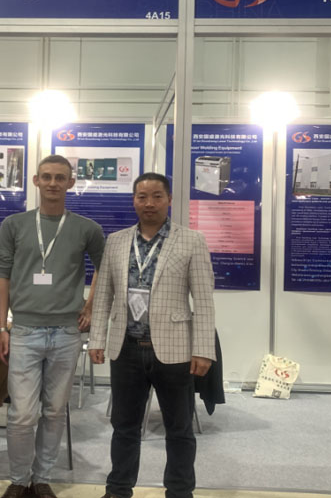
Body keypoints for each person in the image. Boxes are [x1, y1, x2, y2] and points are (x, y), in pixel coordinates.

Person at [89, 172, 216, 498]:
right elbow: (103, 295)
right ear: (133, 200)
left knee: (179, 428)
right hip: (126, 349)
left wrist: (203, 349)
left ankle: (179, 492)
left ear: (169, 199)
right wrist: (97, 339)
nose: (149, 203)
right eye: (142, 196)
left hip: (175, 350)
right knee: (124, 427)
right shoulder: (116, 241)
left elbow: (203, 300)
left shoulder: (192, 240)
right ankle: (118, 490)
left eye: (157, 196)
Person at [0, 155, 106, 498]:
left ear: (71, 182)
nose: (53, 183)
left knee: (55, 411)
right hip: (24, 331)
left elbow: (106, 270)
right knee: (22, 414)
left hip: (66, 333)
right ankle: (19, 479)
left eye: (60, 177)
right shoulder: (14, 224)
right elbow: (2, 276)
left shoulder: (87, 228)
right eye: (46, 177)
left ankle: (41, 478)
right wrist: (1, 327)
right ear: (36, 181)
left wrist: (90, 306)